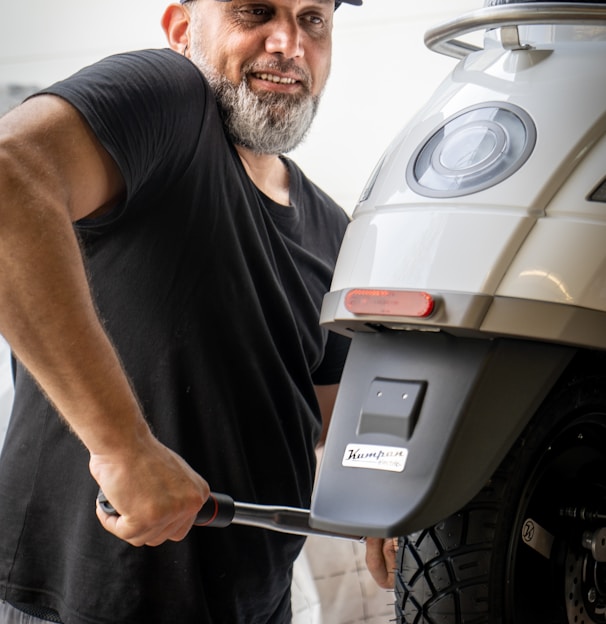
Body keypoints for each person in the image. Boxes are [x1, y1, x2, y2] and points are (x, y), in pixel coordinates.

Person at [0, 0, 395, 622]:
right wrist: (123, 449)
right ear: (184, 30)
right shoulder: (168, 99)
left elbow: (338, 416)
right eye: (255, 12)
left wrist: (390, 496)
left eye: (313, 18)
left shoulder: (334, 229)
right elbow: (8, 178)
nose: (289, 42)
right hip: (80, 601)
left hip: (255, 605)